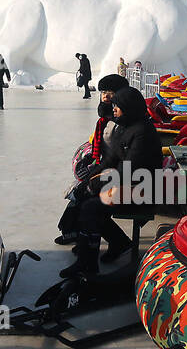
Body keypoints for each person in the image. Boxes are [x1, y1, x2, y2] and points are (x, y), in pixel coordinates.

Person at [60, 85, 161, 277]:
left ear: (129, 107)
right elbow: (109, 161)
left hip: (142, 189)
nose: (113, 109)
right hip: (127, 186)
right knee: (84, 201)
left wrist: (95, 186)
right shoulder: (124, 127)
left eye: (117, 106)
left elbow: (128, 172)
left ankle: (87, 263)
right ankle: (116, 243)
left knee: (92, 207)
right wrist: (87, 181)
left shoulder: (143, 133)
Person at [57, 73, 129, 244]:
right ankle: (72, 231)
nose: (105, 96)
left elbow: (118, 155)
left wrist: (97, 176)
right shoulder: (105, 118)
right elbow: (101, 144)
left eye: (110, 92)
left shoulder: (121, 121)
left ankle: (118, 243)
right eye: (103, 92)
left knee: (87, 200)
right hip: (108, 169)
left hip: (120, 177)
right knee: (79, 193)